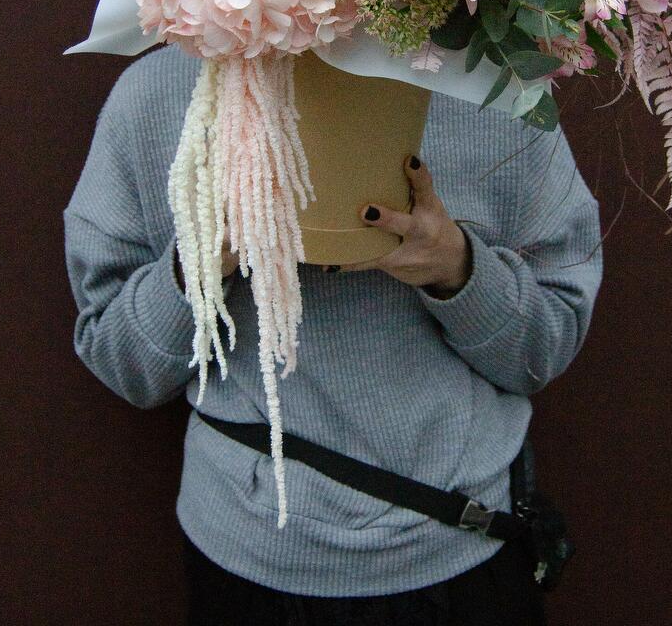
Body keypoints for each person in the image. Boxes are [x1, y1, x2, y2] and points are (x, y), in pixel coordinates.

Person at [63, 42, 603, 625]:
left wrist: (459, 270)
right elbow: (123, 363)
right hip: (251, 551)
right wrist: (202, 260)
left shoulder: (496, 90)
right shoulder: (158, 94)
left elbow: (546, 347)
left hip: (459, 542)